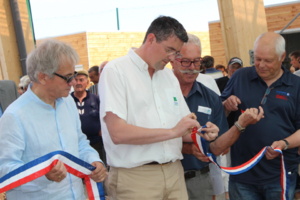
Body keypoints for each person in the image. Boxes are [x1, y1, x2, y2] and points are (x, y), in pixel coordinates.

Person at [99, 16, 219, 200]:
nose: (172, 58)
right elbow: (118, 133)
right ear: (151, 39)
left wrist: (201, 132)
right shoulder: (116, 71)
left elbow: (184, 127)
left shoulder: (168, 77)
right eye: (169, 50)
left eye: (176, 53)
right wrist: (172, 132)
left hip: (174, 173)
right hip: (135, 179)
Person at [0, 39, 107, 200]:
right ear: (43, 77)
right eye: (67, 77)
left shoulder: (68, 103)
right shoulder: (14, 116)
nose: (73, 82)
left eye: (75, 75)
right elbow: (5, 169)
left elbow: (79, 142)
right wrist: (44, 175)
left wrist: (93, 161)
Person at [171, 33, 263, 200]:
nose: (192, 67)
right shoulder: (159, 94)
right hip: (166, 177)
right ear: (172, 60)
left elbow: (222, 147)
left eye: (197, 61)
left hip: (199, 181)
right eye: (185, 61)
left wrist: (239, 125)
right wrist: (189, 148)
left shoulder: (210, 97)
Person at [222, 32, 300, 200]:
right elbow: (219, 114)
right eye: (257, 59)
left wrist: (285, 144)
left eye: (268, 60)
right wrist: (227, 105)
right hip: (242, 174)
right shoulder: (240, 76)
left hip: (279, 175)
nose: (261, 65)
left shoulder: (296, 85)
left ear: (282, 57)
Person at [71, 69, 106, 165]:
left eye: (81, 80)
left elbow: (103, 117)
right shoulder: (67, 101)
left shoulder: (95, 99)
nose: (78, 83)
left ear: (87, 82)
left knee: (96, 170)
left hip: (95, 144)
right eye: (76, 80)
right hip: (75, 145)